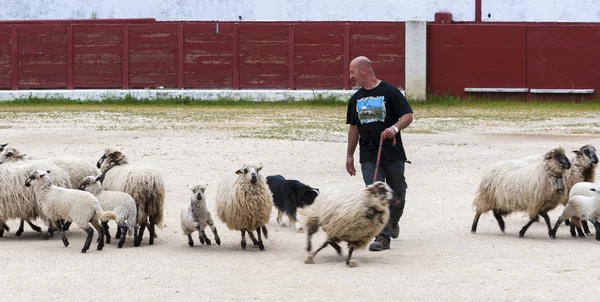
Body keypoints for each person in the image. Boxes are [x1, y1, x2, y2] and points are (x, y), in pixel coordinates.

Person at [345, 56, 413, 251]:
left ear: (364, 70)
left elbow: (408, 116)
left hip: (392, 152)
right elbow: (354, 128)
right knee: (375, 193)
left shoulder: (390, 92)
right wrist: (349, 155)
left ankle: (393, 221)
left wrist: (394, 129)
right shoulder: (355, 99)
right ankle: (382, 237)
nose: (351, 76)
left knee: (397, 194)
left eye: (353, 72)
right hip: (368, 154)